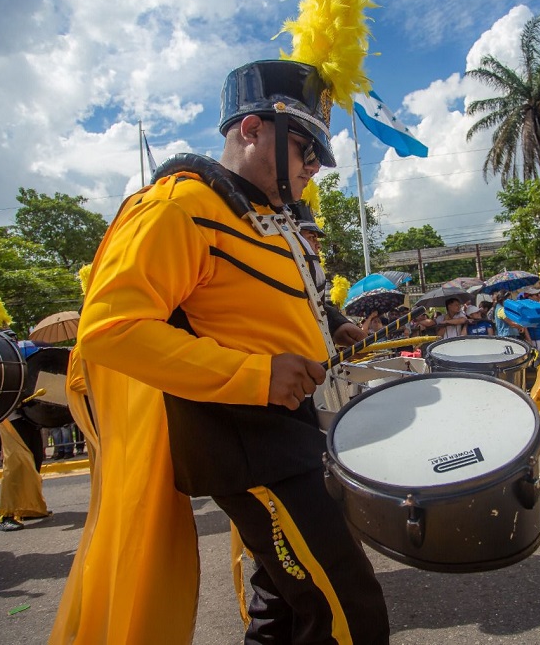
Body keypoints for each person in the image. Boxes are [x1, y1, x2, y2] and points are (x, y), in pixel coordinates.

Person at [50, 60, 389, 643]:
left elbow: (256, 310)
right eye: (306, 149)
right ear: (254, 129)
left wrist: (327, 329)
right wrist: (258, 374)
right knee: (347, 612)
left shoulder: (260, 218)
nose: (313, 168)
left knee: (281, 609)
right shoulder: (178, 206)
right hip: (250, 443)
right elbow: (110, 329)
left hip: (283, 433)